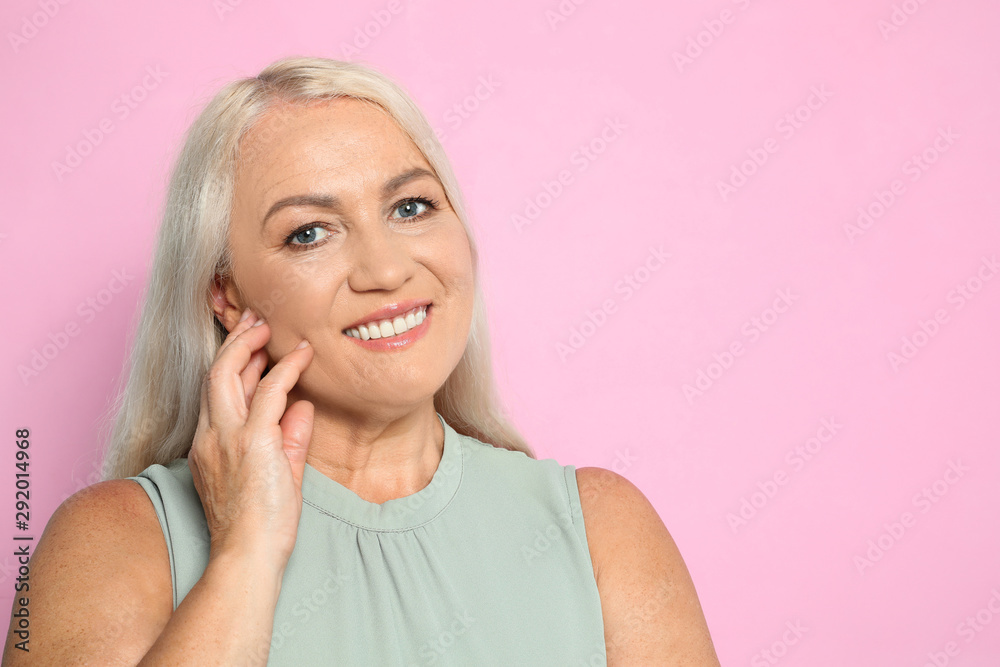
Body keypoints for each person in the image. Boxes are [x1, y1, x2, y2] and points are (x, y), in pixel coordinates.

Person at [1, 56, 721, 665]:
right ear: (226, 293)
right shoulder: (108, 541)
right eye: (310, 232)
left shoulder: (601, 530)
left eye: (410, 207)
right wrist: (246, 556)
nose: (385, 270)